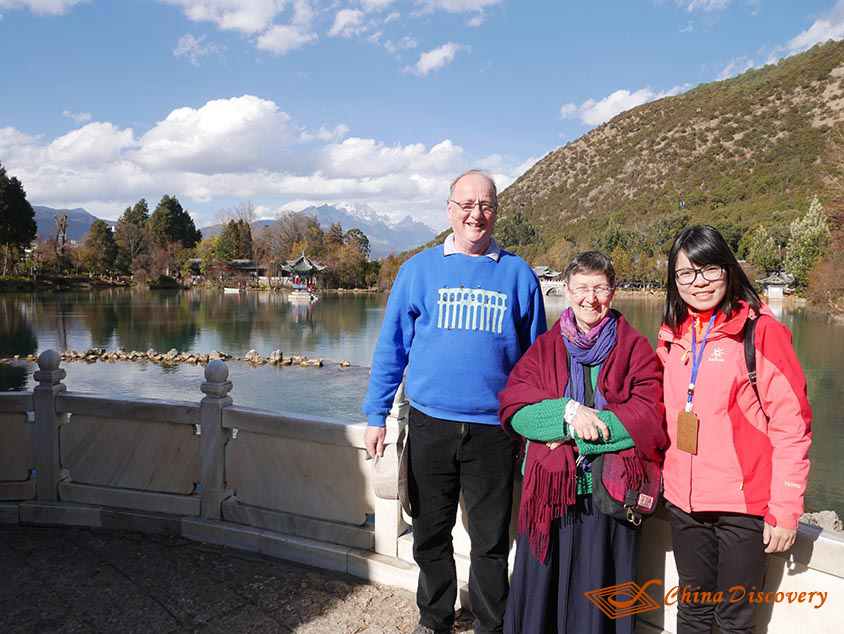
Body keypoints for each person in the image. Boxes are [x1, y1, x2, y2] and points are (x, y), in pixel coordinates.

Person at [363, 170, 547, 634]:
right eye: (466, 204)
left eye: (485, 205)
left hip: (495, 432)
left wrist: (539, 425)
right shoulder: (419, 270)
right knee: (429, 533)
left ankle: (491, 624)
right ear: (449, 209)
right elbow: (392, 348)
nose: (475, 214)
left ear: (496, 212)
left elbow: (536, 361)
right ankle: (435, 618)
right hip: (429, 425)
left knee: (490, 542)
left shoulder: (518, 274)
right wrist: (376, 414)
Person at [498, 251, 666, 634]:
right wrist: (566, 412)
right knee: (544, 595)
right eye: (582, 288)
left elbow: (649, 418)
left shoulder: (635, 349)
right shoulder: (544, 347)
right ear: (567, 291)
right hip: (549, 494)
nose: (591, 298)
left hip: (609, 496)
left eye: (601, 288)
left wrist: (581, 434)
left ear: (613, 291)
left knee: (597, 596)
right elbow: (516, 409)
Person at [657, 226, 812, 634]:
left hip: (742, 505)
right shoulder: (673, 333)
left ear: (729, 270)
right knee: (691, 610)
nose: (699, 282)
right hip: (684, 500)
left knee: (734, 619)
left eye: (709, 269)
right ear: (674, 281)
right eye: (686, 273)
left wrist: (786, 509)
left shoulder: (760, 333)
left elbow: (792, 426)